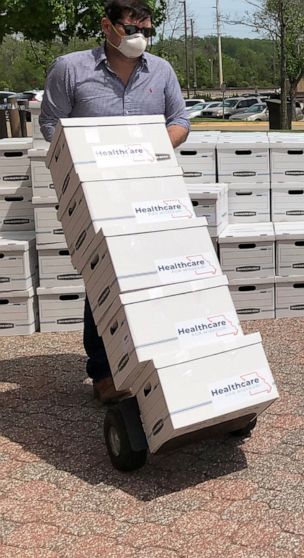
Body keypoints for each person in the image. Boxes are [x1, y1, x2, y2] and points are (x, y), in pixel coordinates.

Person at [39, 0, 190, 403]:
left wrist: (151, 146)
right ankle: (104, 371)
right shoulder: (70, 69)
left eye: (147, 31)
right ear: (107, 26)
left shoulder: (161, 71)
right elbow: (50, 123)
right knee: (104, 277)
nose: (140, 38)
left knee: (153, 274)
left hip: (150, 190)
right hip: (95, 192)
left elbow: (180, 121)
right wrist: (88, 155)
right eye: (131, 29)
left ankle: (154, 356)